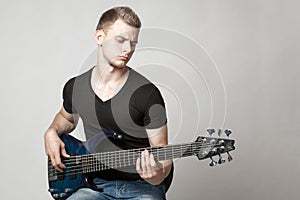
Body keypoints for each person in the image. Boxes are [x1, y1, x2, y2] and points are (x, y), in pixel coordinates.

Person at [44, 6, 173, 200]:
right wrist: (51, 132)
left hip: (143, 188)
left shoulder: (147, 93)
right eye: (120, 40)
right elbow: (66, 118)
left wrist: (157, 175)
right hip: (94, 186)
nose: (128, 50)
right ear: (99, 37)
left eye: (133, 43)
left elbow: (162, 153)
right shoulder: (76, 87)